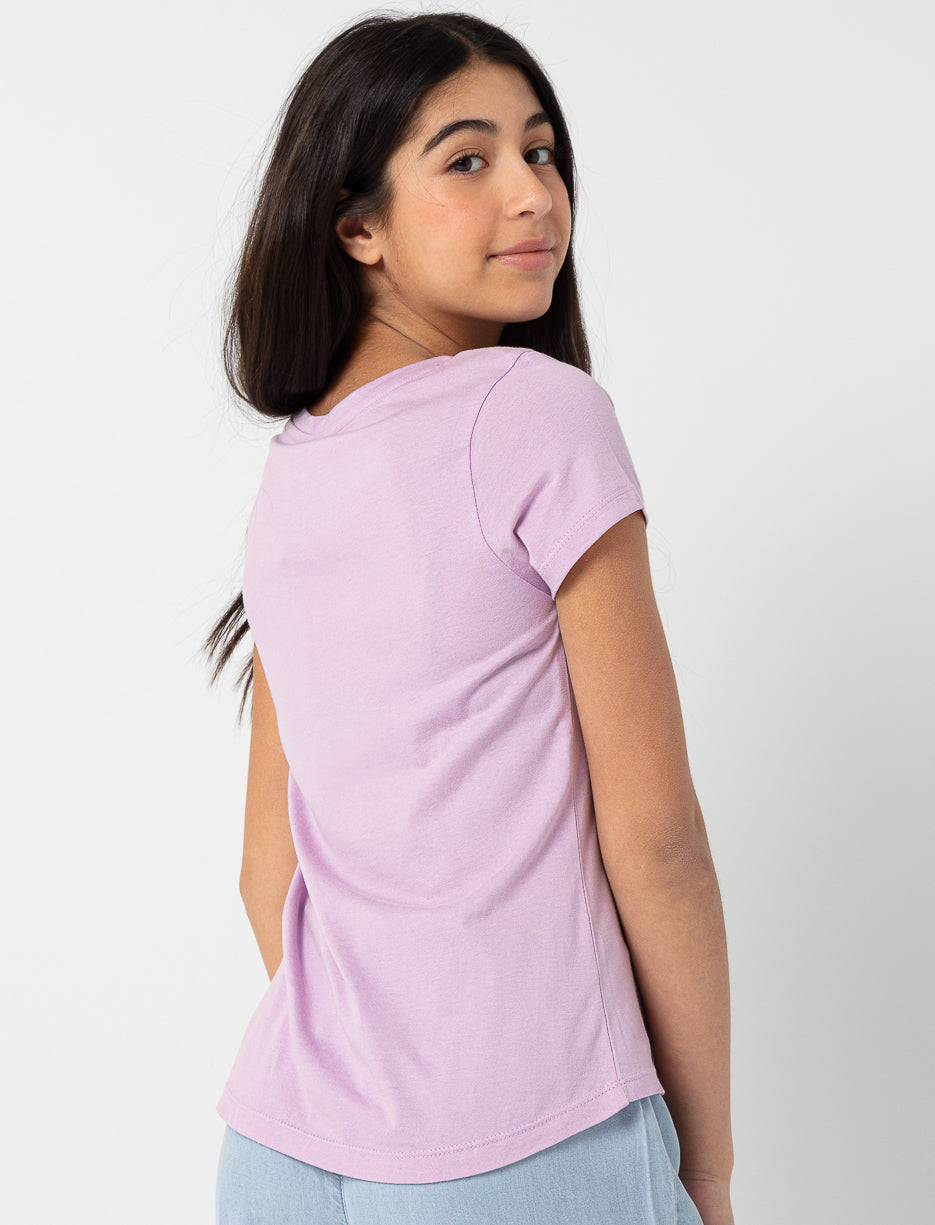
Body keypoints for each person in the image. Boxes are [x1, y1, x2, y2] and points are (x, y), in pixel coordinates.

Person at [202, 11, 734, 1225]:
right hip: (526, 1130)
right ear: (357, 226)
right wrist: (701, 1168)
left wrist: (383, 1088)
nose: (531, 193)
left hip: (284, 1144)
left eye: (540, 152)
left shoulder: (295, 469)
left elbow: (265, 867)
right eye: (468, 160)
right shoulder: (536, 413)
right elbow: (655, 837)